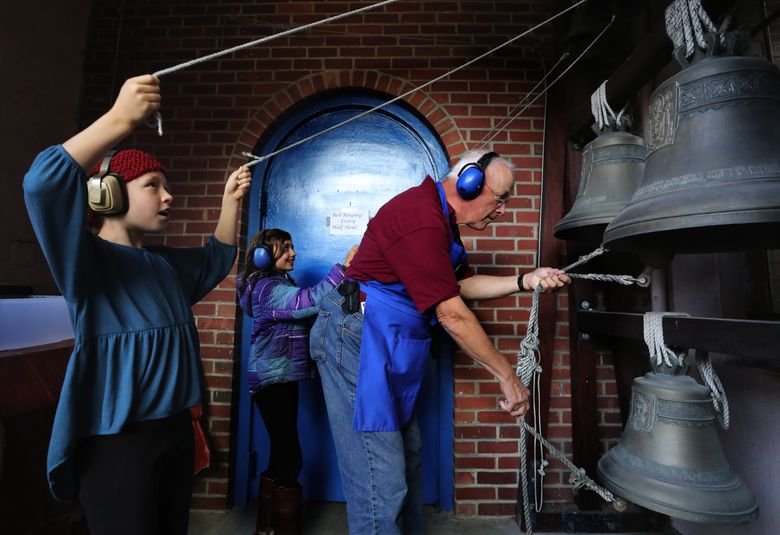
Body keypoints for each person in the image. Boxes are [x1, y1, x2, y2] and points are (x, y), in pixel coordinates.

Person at [22, 74, 251, 535]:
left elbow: (216, 259)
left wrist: (229, 202)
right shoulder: (86, 263)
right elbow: (42, 184)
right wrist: (119, 119)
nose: (168, 196)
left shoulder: (163, 265)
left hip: (174, 433)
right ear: (107, 194)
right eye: (152, 184)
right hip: (118, 443)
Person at [309, 149, 571, 534]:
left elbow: (458, 286)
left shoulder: (442, 224)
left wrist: (525, 280)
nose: (503, 210)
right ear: (469, 184)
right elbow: (451, 312)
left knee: (407, 458)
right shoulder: (420, 217)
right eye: (501, 198)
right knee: (379, 478)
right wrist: (507, 376)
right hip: (356, 339)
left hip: (388, 342)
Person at [237, 229, 357, 535]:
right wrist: (342, 269)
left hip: (281, 377)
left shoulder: (277, 283)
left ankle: (267, 528)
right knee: (290, 457)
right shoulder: (266, 287)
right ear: (264, 256)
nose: (294, 253)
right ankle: (281, 528)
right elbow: (306, 301)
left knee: (281, 453)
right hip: (272, 380)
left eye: (293, 246)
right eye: (285, 248)